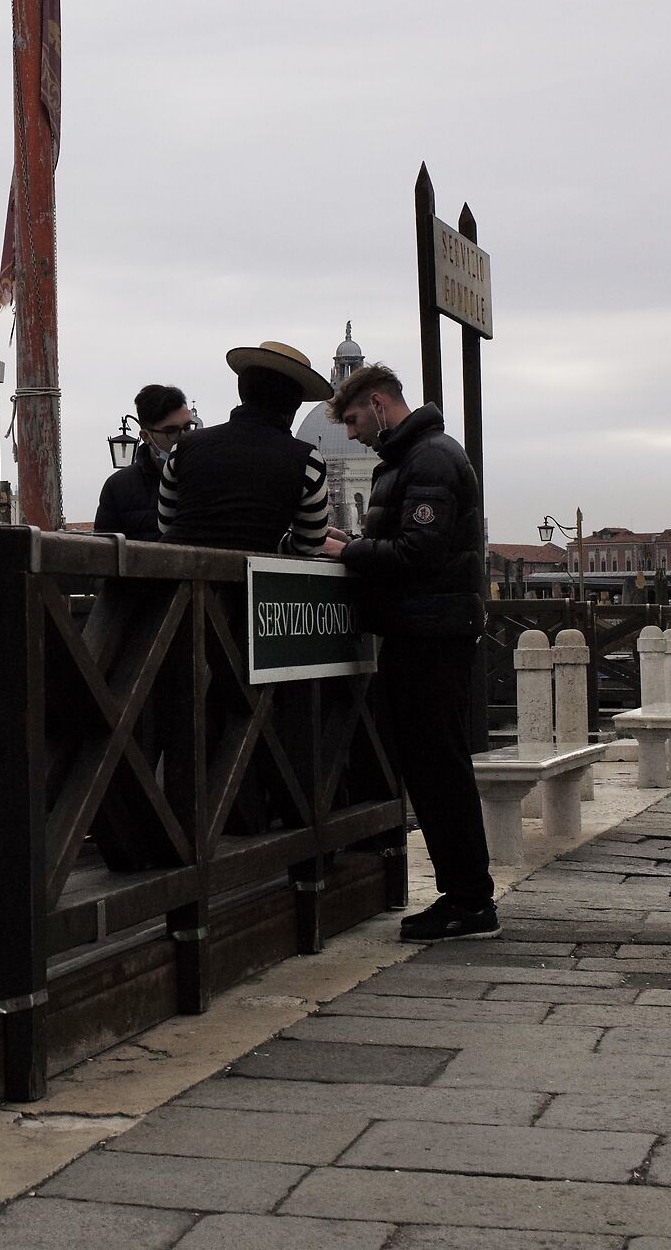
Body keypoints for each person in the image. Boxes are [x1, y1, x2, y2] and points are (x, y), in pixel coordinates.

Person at [329, 363, 497, 943]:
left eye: (353, 420)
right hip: (426, 628)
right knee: (434, 766)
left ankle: (470, 902)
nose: (350, 434)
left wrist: (346, 552)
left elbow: (419, 554)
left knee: (438, 767)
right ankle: (466, 896)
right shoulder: (416, 458)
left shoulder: (427, 460)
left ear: (378, 404)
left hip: (430, 631)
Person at [158, 342, 337, 556]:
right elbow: (310, 543)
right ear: (293, 406)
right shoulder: (308, 460)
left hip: (174, 579)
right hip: (248, 584)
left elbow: (166, 524)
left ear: (243, 392)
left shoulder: (185, 446)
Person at [94, 383, 191, 540]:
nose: (184, 436)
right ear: (146, 437)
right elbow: (104, 553)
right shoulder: (118, 487)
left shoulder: (206, 475)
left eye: (188, 427)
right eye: (171, 431)